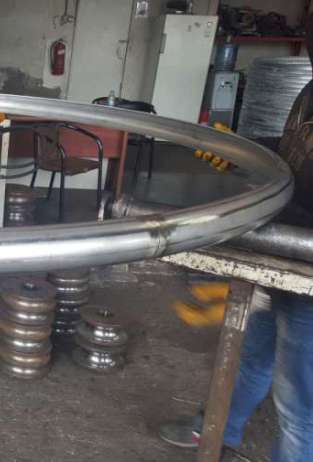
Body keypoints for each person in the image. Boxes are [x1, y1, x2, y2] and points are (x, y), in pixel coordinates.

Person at [159, 14, 313, 462]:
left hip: (307, 273)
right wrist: (242, 149)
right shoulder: (309, 92)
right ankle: (218, 428)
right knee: (251, 356)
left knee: (298, 403)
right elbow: (291, 150)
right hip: (281, 250)